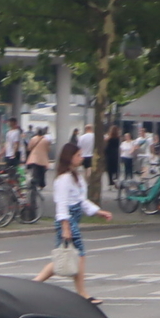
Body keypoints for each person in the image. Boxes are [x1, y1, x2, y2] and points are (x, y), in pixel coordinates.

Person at [33, 142, 109, 298]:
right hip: (67, 220)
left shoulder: (76, 177)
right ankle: (83, 294)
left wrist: (98, 212)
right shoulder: (64, 179)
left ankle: (34, 284)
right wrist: (65, 227)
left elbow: (81, 201)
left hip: (73, 218)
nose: (81, 158)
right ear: (69, 158)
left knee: (65, 256)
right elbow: (61, 204)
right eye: (78, 155)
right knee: (78, 254)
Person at [22, 127, 52, 219]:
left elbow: (29, 147)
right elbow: (48, 150)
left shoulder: (33, 139)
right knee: (42, 173)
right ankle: (41, 185)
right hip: (42, 159)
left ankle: (34, 184)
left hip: (34, 159)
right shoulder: (46, 140)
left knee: (34, 173)